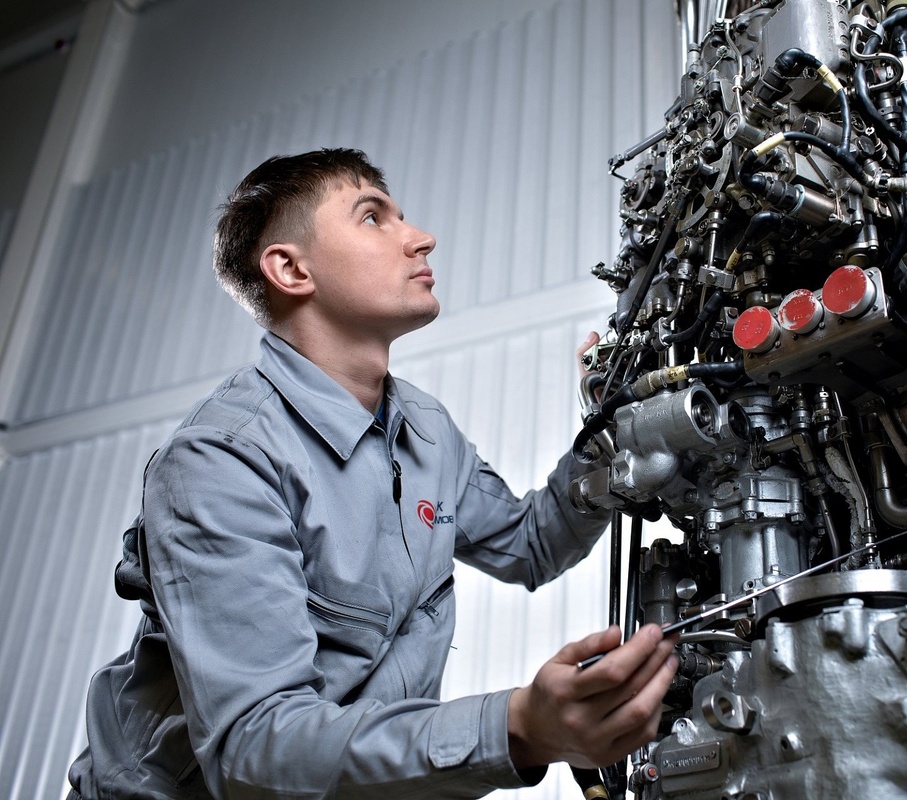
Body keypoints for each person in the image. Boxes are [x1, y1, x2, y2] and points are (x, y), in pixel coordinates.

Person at [67, 148, 677, 799]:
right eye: (372, 217)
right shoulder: (222, 460)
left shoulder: (426, 428)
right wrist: (517, 729)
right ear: (291, 269)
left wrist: (611, 425)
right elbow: (255, 751)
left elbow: (529, 544)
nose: (421, 237)